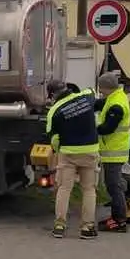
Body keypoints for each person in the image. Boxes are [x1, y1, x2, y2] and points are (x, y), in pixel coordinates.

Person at [45, 80, 102, 239]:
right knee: (89, 189)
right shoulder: (87, 96)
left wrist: (59, 151)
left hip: (68, 153)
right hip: (90, 151)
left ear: (53, 95)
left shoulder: (54, 111)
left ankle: (59, 226)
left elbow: (54, 138)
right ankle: (87, 228)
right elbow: (92, 91)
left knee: (64, 188)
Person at [95, 71, 130, 233]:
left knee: (113, 187)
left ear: (107, 87)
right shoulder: (116, 97)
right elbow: (99, 104)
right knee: (114, 186)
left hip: (114, 152)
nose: (100, 92)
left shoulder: (117, 106)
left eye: (101, 89)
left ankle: (119, 221)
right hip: (113, 151)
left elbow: (107, 129)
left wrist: (91, 128)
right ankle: (117, 217)